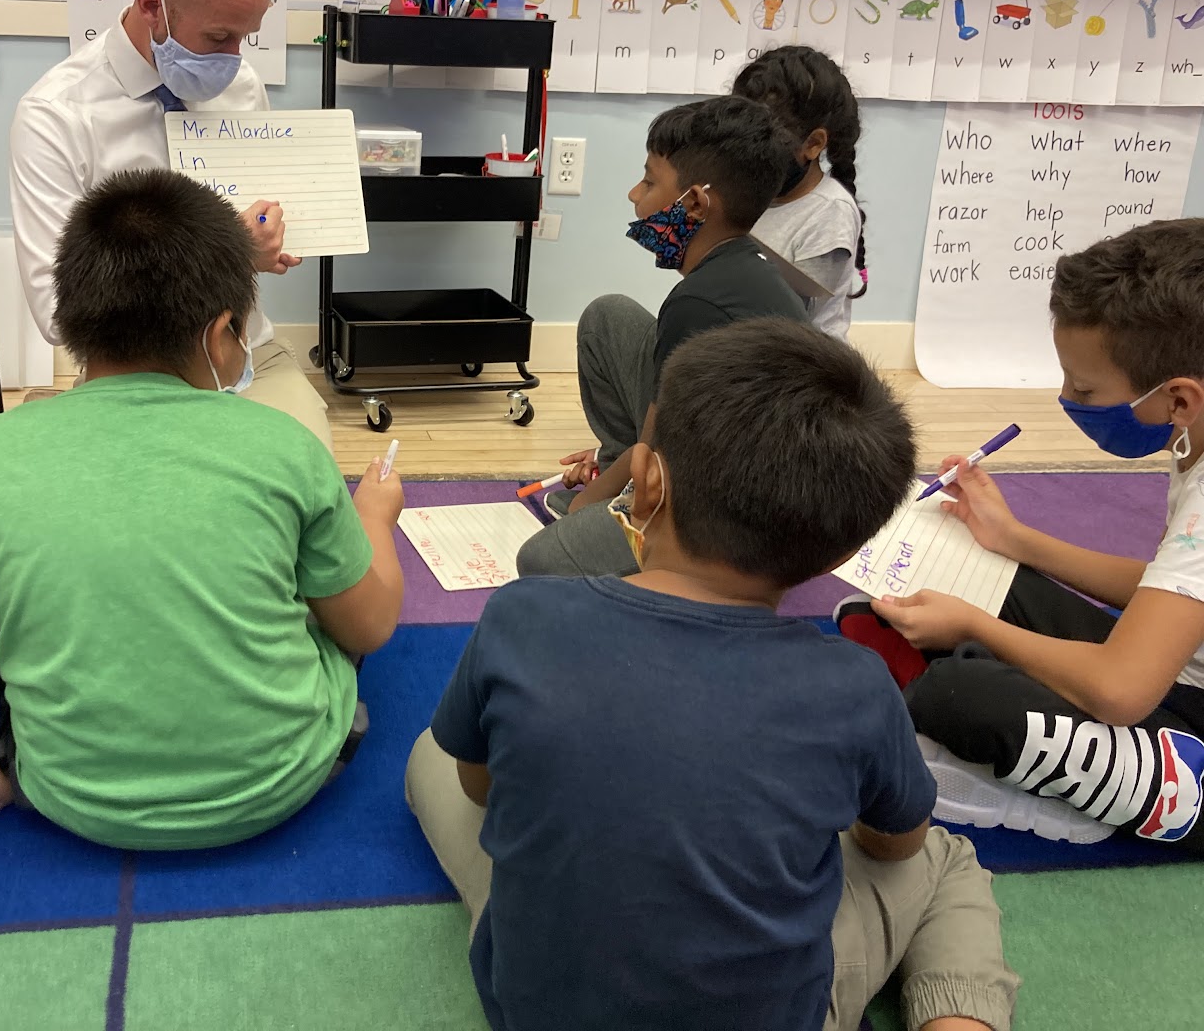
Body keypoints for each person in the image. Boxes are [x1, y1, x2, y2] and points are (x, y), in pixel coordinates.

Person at [407, 318, 1017, 1031]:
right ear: (837, 554)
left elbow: (481, 788)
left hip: (534, 1005)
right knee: (945, 859)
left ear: (647, 482)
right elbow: (895, 843)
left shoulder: (521, 616)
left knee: (435, 753)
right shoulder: (854, 687)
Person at [0, 170, 404, 849]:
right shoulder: (284, 447)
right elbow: (371, 629)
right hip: (280, 785)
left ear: (71, 322)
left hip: (67, 797)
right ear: (221, 334)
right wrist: (375, 519)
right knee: (333, 600)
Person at [840, 220, 1204, 851]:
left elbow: (1122, 689)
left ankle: (1141, 791)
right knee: (950, 589)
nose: (1066, 398)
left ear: (1178, 401)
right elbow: (1171, 586)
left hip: (1175, 708)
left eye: (1085, 389)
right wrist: (1014, 538)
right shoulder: (1194, 434)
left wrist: (977, 630)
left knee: (961, 692)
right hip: (1171, 669)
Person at [9, 0, 332, 450]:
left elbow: (263, 218)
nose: (233, 59)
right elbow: (58, 314)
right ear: (149, 4)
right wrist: (229, 259)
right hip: (134, 375)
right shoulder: (55, 116)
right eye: (217, 38)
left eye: (245, 37)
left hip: (246, 352)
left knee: (306, 480)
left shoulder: (242, 86)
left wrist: (272, 240)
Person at [518, 95, 808, 579]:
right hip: (728, 458)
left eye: (650, 180)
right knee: (607, 317)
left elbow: (653, 449)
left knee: (542, 559)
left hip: (730, 516)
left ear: (694, 202)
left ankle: (630, 509)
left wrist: (586, 505)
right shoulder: (743, 268)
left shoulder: (697, 304)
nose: (635, 193)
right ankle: (618, 485)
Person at [732, 44, 868, 340]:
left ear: (814, 144)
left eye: (762, 142)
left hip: (796, 369)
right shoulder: (754, 194)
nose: (747, 156)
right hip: (738, 347)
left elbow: (790, 321)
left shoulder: (829, 212)